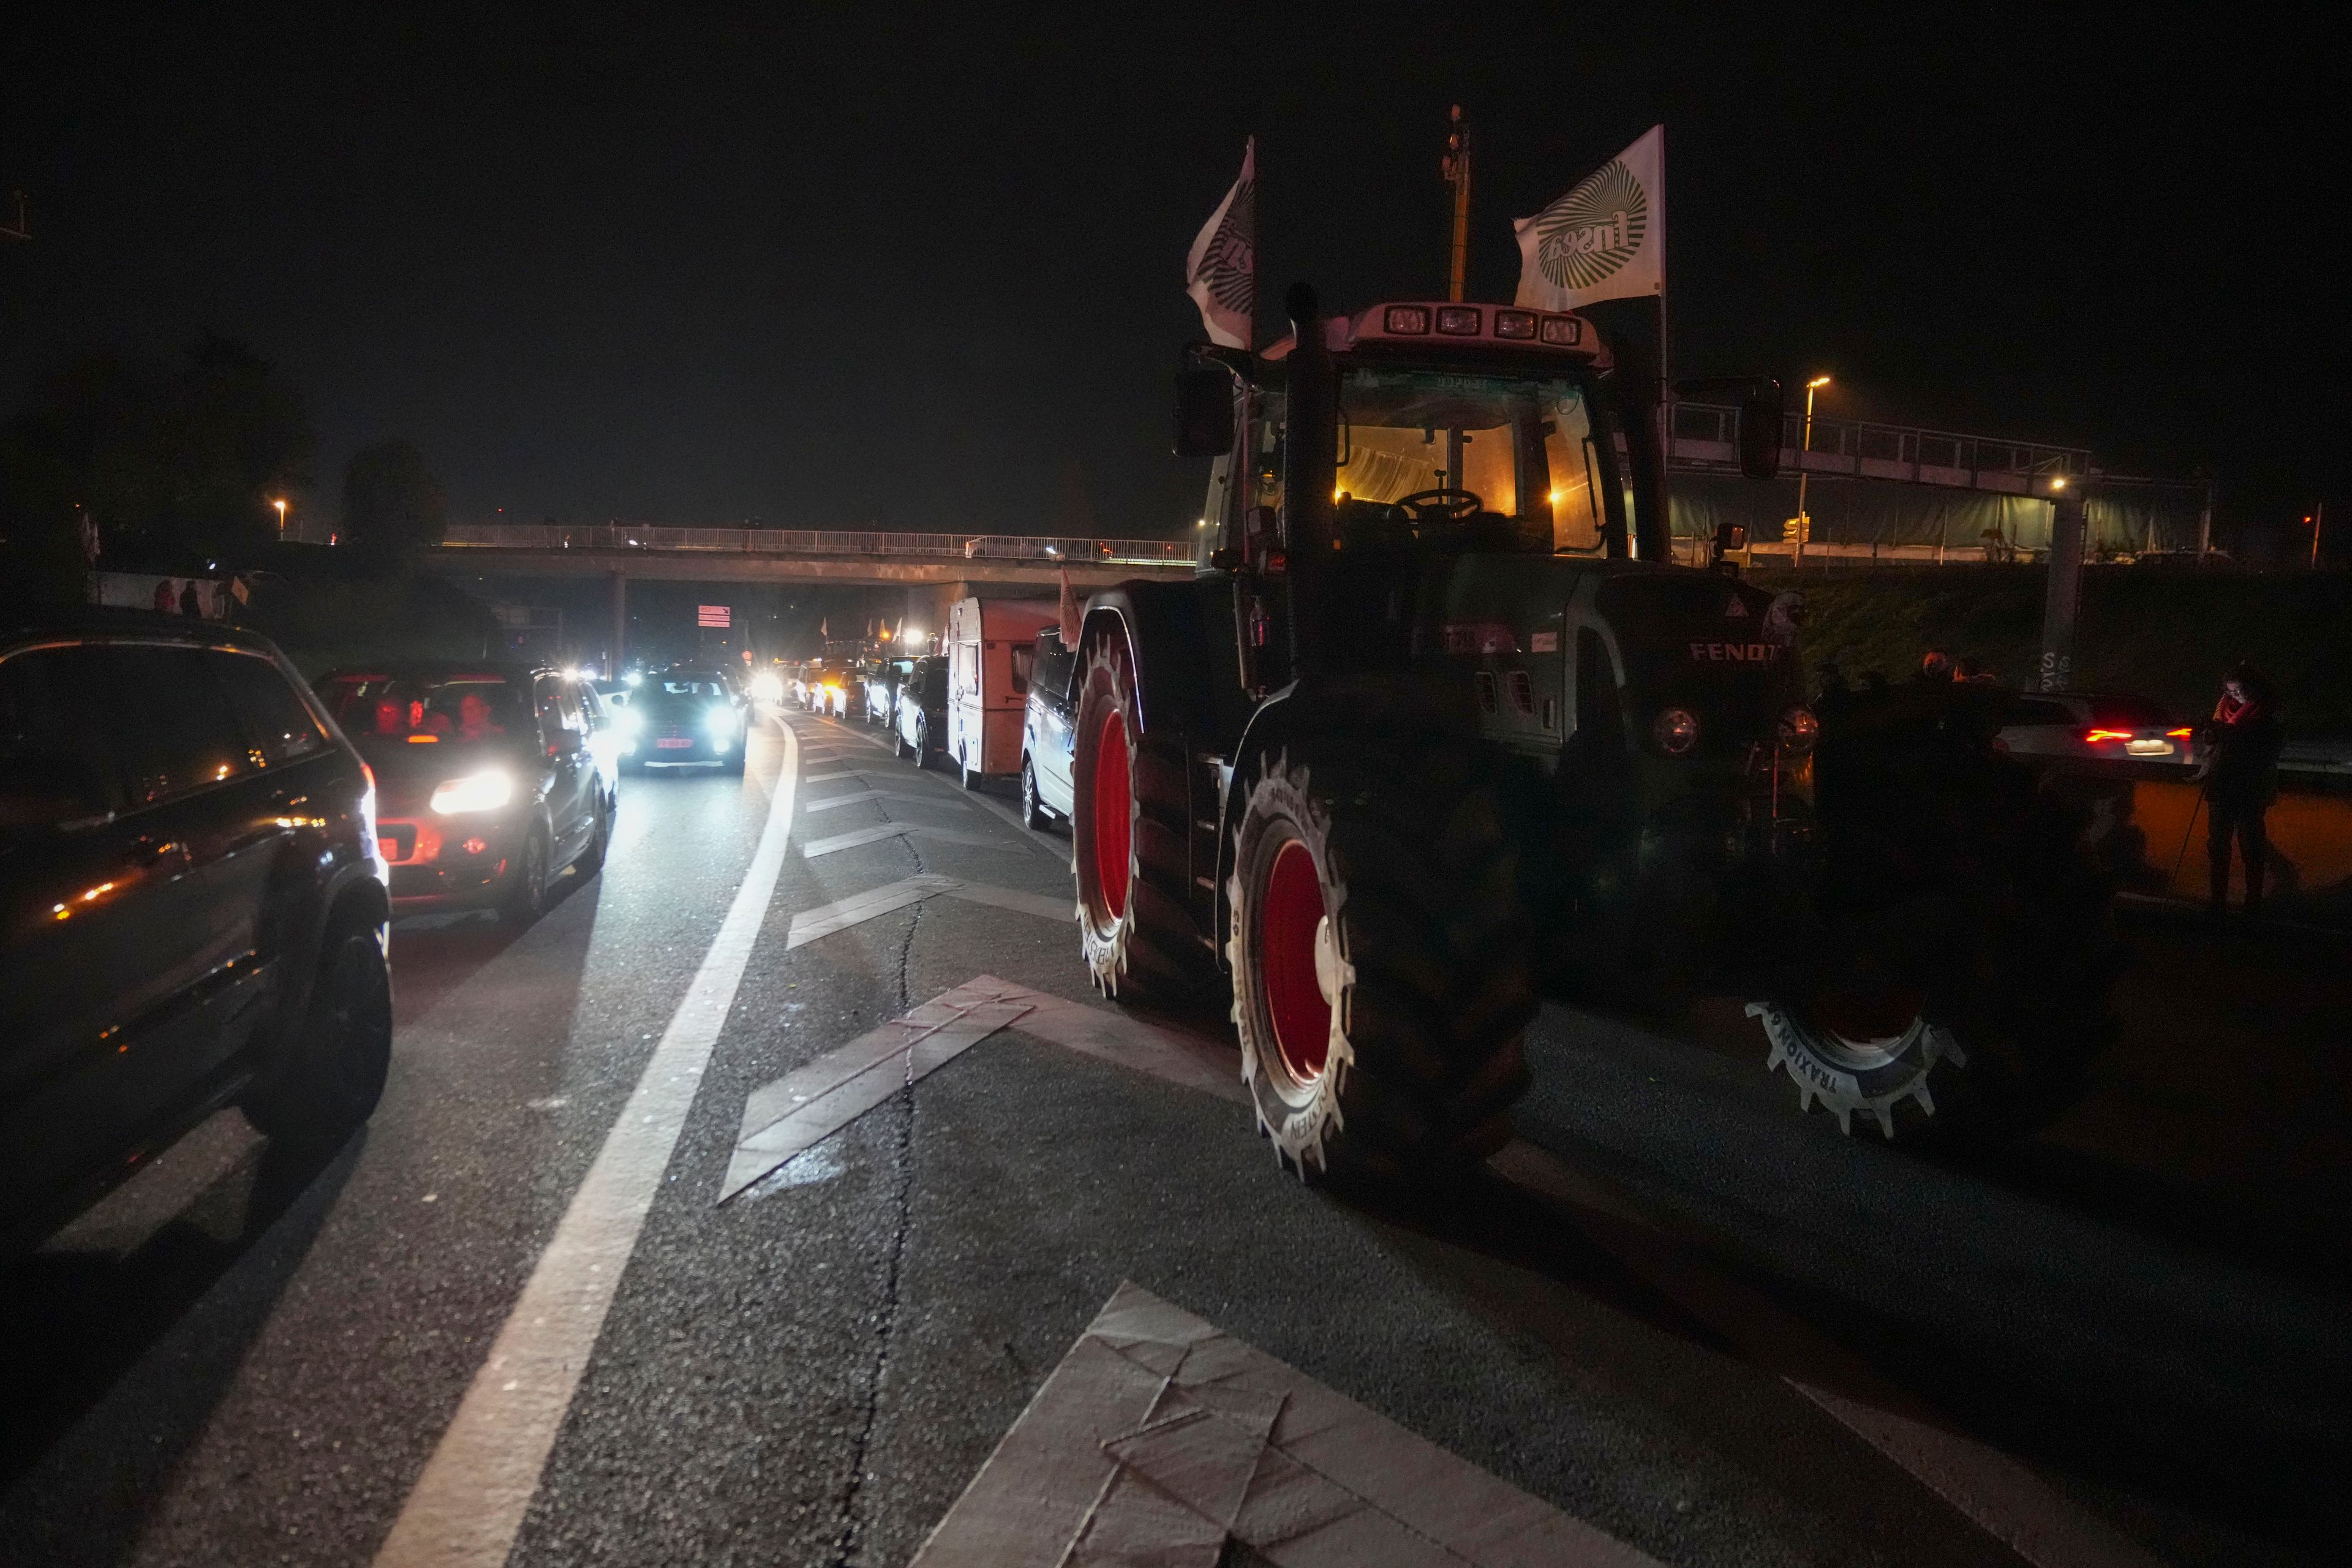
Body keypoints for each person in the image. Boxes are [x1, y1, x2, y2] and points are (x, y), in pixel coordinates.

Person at [2196, 662, 2283, 916]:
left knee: (2251, 844)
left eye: (2239, 692)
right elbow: (2215, 746)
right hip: (2222, 784)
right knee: (2218, 844)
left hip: (2250, 787)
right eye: (2230, 692)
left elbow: (2268, 750)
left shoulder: (2268, 712)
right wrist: (2211, 736)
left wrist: (2231, 735)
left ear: (2253, 689)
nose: (2235, 697)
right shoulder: (2223, 709)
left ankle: (2253, 902)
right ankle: (2217, 901)